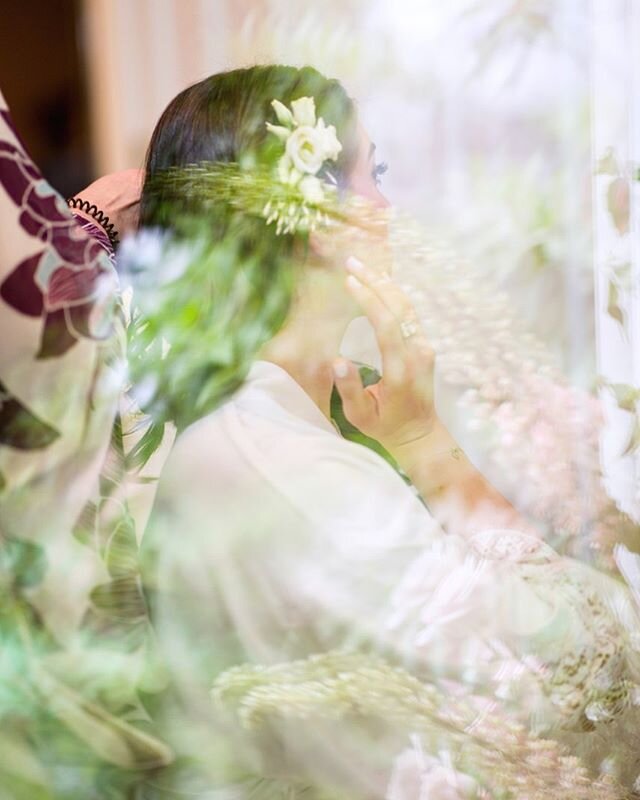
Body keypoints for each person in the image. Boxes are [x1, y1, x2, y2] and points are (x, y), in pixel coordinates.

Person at [135, 65, 640, 799]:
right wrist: (431, 447)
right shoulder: (289, 472)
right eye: (375, 173)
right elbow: (590, 672)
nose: (389, 206)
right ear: (311, 217)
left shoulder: (247, 437)